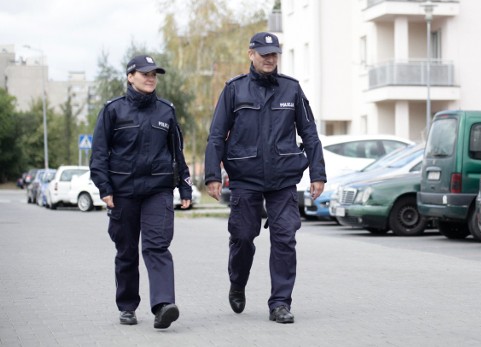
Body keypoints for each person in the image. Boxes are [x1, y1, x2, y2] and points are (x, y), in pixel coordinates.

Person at [204, 32, 326, 324]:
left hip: (283, 178)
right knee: (243, 237)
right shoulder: (234, 90)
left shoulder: (292, 90)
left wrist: (317, 173)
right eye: (264, 54)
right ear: (251, 54)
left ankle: (280, 303)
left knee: (285, 238)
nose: (270, 59)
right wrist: (212, 176)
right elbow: (217, 135)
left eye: (274, 54)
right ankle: (238, 281)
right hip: (245, 177)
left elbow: (309, 133)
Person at [90, 55, 192, 329]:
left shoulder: (165, 111)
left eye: (154, 74)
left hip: (157, 190)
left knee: (157, 245)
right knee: (126, 251)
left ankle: (163, 306)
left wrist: (184, 185)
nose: (150, 78)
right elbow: (99, 153)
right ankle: (127, 307)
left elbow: (176, 152)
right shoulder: (113, 110)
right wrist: (104, 187)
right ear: (130, 76)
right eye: (145, 73)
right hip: (122, 192)